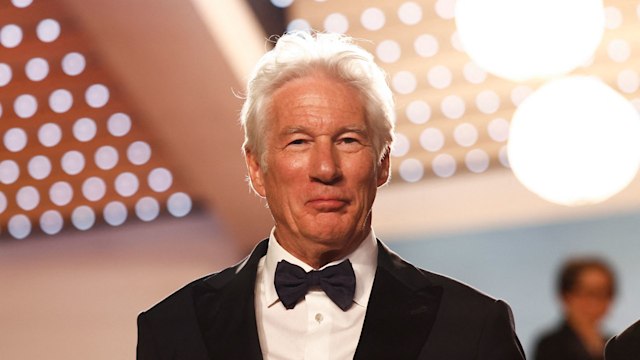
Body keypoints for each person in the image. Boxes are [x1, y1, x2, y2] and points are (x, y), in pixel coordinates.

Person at [136, 31, 525, 359]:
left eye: (348, 140)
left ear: (383, 163)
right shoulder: (173, 328)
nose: (326, 169)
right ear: (256, 168)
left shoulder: (473, 327)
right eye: (299, 141)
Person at [533, 258, 616, 360]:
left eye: (602, 292)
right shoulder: (550, 345)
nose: (594, 301)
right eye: (586, 292)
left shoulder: (615, 345)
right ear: (565, 296)